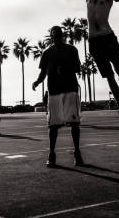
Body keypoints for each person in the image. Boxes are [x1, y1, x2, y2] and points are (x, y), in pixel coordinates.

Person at [32, 26, 83, 167]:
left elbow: (77, 68)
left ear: (62, 36)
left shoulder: (72, 50)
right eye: (54, 35)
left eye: (58, 35)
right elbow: (43, 73)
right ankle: (52, 154)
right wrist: (37, 81)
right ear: (51, 37)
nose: (56, 37)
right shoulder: (47, 53)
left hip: (69, 90)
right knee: (53, 125)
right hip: (54, 91)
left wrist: (64, 69)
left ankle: (77, 154)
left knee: (74, 124)